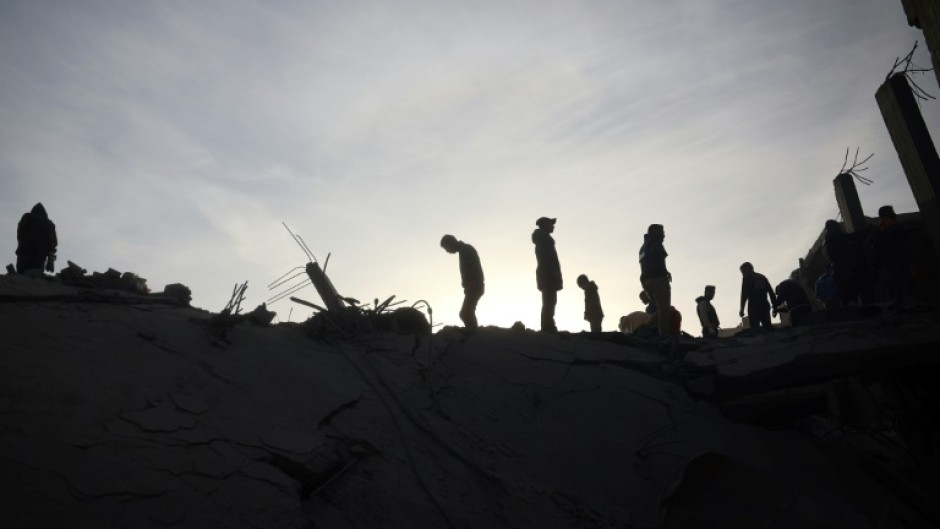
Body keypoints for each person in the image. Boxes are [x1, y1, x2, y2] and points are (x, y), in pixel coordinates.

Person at [440, 234, 484, 330]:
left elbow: (473, 267)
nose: (447, 251)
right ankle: (473, 332)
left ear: (451, 242)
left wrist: (472, 282)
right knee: (467, 313)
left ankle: (473, 334)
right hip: (473, 285)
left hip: (474, 285)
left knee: (465, 313)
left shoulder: (466, 250)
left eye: (446, 248)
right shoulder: (464, 250)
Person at [639, 224, 675, 337]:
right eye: (661, 232)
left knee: (659, 310)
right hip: (658, 280)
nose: (663, 235)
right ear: (654, 233)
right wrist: (665, 273)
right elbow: (659, 260)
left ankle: (644, 328)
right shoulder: (656, 243)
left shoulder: (643, 247)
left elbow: (648, 263)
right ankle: (663, 336)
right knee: (664, 310)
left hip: (646, 281)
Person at [873, 205, 913, 306]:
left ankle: (904, 301)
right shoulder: (886, 228)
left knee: (899, 282)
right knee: (901, 280)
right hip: (895, 259)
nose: (894, 214)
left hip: (893, 260)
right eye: (890, 212)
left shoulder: (883, 228)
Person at [532, 217, 562, 332]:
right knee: (549, 302)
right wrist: (553, 274)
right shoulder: (544, 240)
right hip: (548, 277)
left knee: (550, 301)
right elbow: (547, 260)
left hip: (547, 276)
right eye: (551, 224)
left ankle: (548, 325)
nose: (553, 226)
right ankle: (547, 326)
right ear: (545, 225)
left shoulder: (544, 239)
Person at [16, 202, 57, 274]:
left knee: (21, 276)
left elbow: (20, 235)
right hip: (39, 261)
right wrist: (51, 261)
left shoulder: (27, 217)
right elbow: (53, 244)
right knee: (35, 277)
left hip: (23, 257)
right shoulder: (50, 225)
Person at [739, 262, 777, 330]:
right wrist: (775, 307)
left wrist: (742, 308)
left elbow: (744, 293)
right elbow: (771, 292)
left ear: (748, 269)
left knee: (755, 329)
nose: (742, 274)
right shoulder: (762, 277)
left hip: (754, 306)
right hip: (765, 305)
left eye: (743, 272)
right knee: (768, 327)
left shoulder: (747, 277)